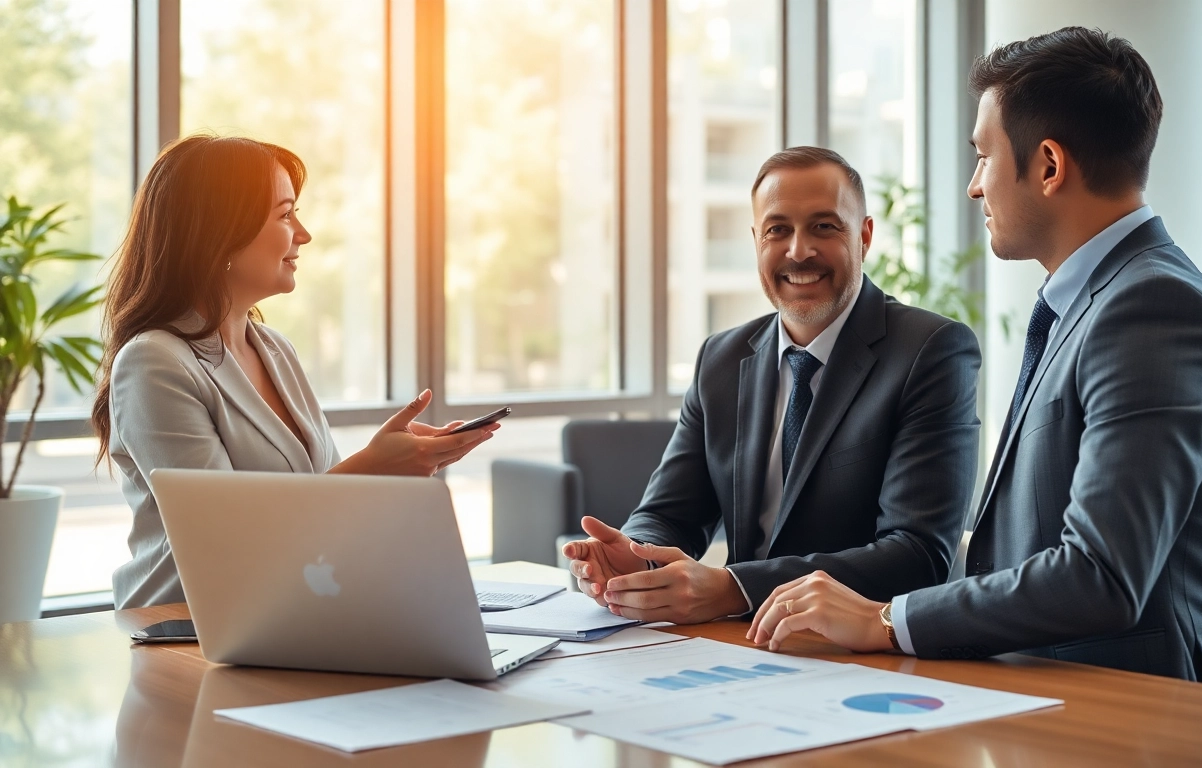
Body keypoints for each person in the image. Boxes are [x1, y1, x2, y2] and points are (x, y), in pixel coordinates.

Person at [747, 28, 1202, 686]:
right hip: (1032, 692)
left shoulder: (1154, 311)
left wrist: (882, 620)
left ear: (1048, 165)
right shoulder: (1095, 302)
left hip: (1130, 719)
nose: (974, 186)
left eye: (984, 157)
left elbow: (1099, 576)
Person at [564, 147, 982, 624]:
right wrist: (635, 559)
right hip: (744, 648)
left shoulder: (931, 350)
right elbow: (671, 514)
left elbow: (917, 554)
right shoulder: (720, 359)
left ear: (864, 236)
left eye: (824, 227)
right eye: (777, 229)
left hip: (865, 652)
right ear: (757, 241)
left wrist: (735, 588)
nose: (798, 250)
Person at [93, 135, 497, 609]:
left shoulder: (274, 350)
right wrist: (372, 467)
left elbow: (321, 512)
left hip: (290, 615)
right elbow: (225, 537)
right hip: (184, 632)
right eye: (285, 215)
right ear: (221, 232)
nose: (303, 234)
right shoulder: (155, 361)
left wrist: (396, 468)